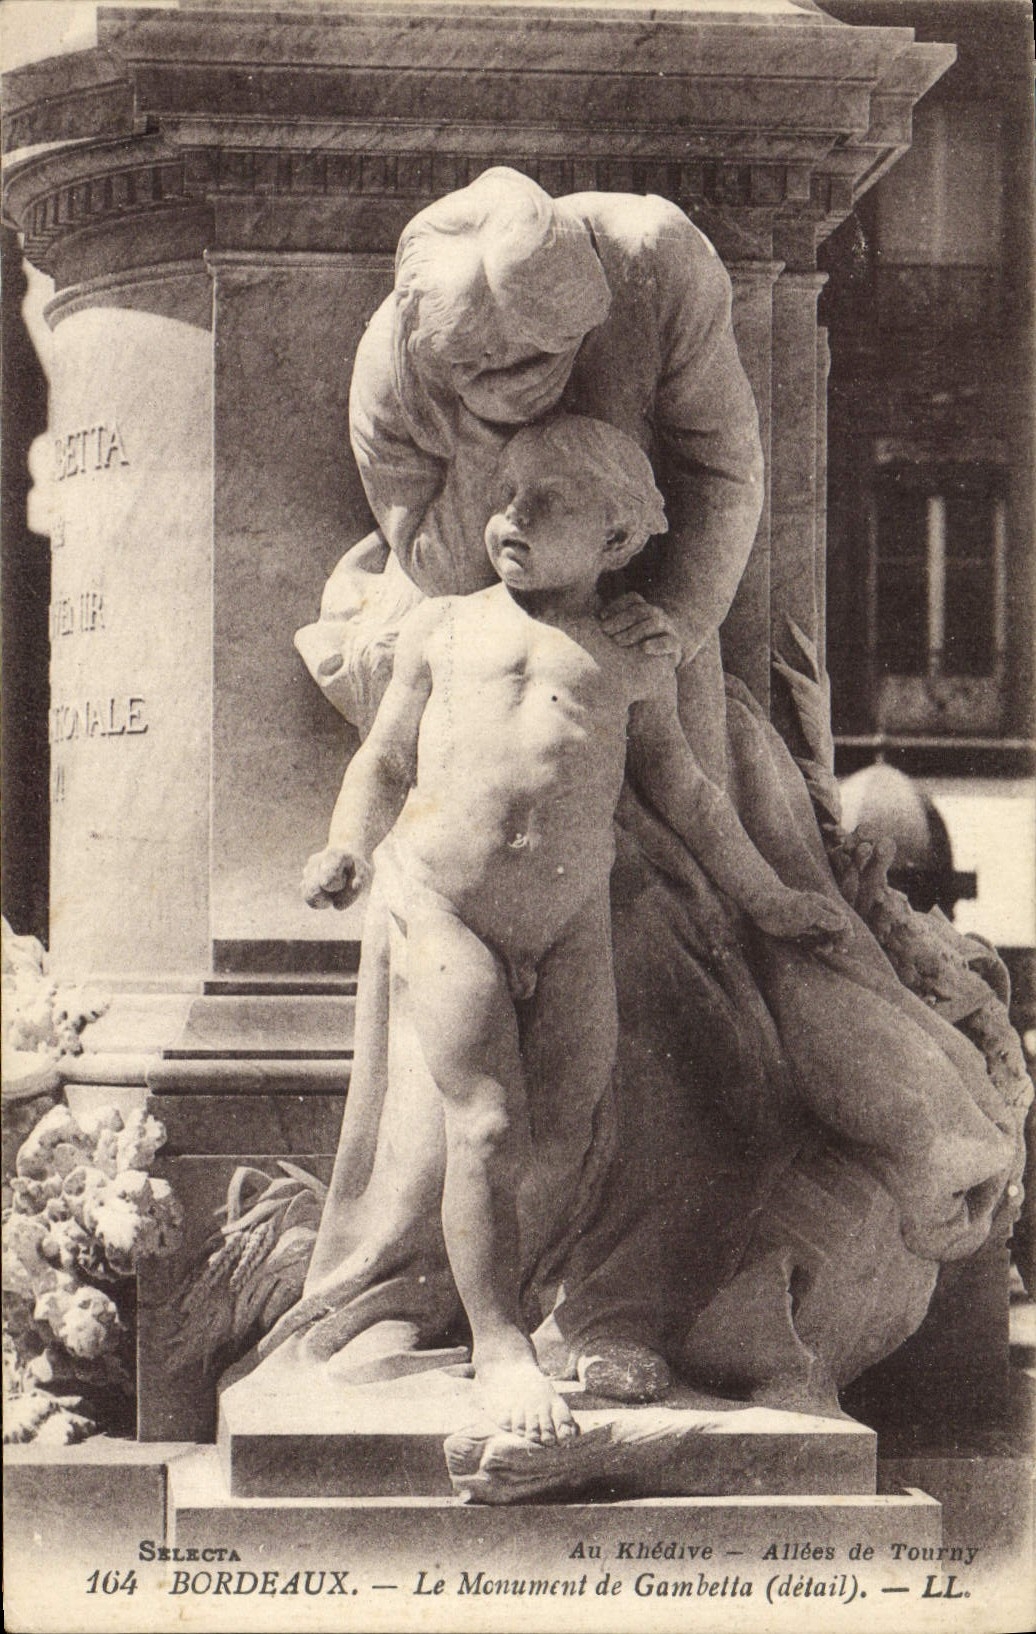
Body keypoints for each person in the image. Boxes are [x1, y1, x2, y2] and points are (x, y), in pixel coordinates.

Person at [278, 167, 1017, 1410]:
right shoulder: (396, 370)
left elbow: (724, 475)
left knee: (650, 1013)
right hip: (465, 794)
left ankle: (611, 1300)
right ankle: (469, 1318)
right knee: (483, 1100)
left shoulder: (656, 263)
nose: (502, 392)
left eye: (531, 365)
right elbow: (421, 577)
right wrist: (517, 520)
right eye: (472, 376)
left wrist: (660, 634)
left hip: (641, 665)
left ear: (580, 314)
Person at [300, 416, 846, 1443]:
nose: (512, 515)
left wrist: (767, 897)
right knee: (486, 1124)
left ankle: (551, 1311)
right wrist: (346, 846)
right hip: (445, 906)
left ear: (618, 538)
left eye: (546, 502)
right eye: (507, 495)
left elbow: (687, 792)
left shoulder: (631, 656)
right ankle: (497, 1342)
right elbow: (383, 758)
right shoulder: (443, 629)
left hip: (570, 921)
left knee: (568, 1129)